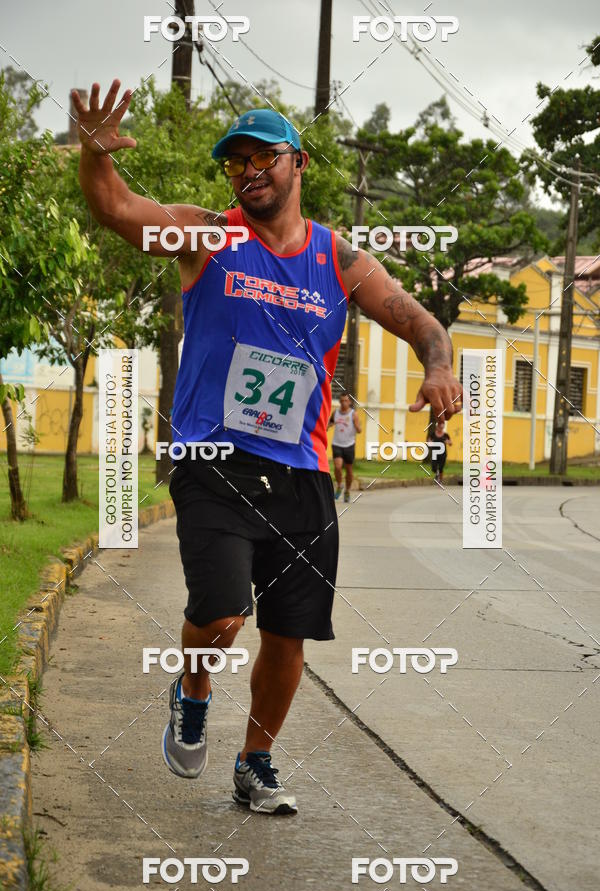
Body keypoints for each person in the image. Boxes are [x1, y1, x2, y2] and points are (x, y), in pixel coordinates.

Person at [73, 81, 463, 816]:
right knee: (221, 614)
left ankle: (256, 763)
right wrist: (96, 162)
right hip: (213, 461)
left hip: (303, 473)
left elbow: (416, 318)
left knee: (288, 637)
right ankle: (192, 686)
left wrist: (438, 363)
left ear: (299, 163)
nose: (248, 171)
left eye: (263, 158)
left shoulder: (339, 260)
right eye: (235, 163)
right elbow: (118, 210)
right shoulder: (208, 234)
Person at [328, 391, 361, 502]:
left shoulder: (353, 414)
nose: (343, 403)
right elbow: (330, 423)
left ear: (350, 402)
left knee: (349, 470)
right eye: (341, 401)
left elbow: (359, 430)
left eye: (346, 401)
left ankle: (347, 490)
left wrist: (357, 426)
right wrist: (328, 426)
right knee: (337, 466)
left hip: (349, 445)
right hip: (337, 443)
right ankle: (339, 485)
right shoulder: (335, 413)